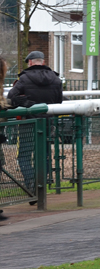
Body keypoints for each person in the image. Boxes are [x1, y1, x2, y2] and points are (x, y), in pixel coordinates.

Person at [8, 51, 62, 192]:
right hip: (47, 123)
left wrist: (25, 102)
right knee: (45, 155)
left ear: (30, 62)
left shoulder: (24, 79)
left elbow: (11, 97)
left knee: (24, 156)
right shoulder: (56, 79)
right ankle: (40, 185)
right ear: (42, 62)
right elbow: (59, 102)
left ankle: (31, 184)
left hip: (28, 123)